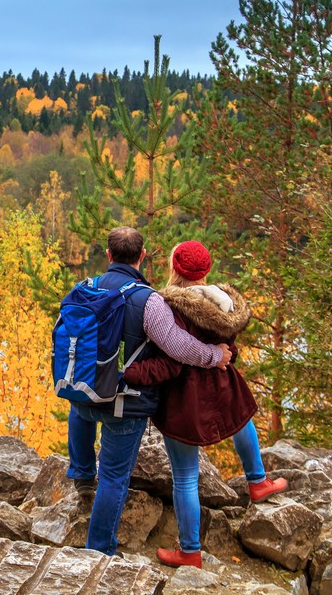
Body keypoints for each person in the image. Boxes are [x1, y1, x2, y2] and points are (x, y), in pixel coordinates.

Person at [67, 227, 233, 557]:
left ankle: (82, 473)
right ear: (142, 257)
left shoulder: (84, 288)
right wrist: (216, 356)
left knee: (81, 413)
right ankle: (99, 552)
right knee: (113, 479)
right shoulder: (149, 301)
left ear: (109, 255)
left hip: (83, 394)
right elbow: (178, 347)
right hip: (124, 404)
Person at [121, 240, 287, 568]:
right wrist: (222, 356)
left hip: (183, 397)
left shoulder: (166, 306)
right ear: (206, 271)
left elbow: (170, 359)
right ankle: (258, 482)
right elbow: (231, 350)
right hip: (224, 384)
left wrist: (131, 372)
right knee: (242, 421)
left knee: (185, 476)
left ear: (176, 269)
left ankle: (190, 551)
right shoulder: (224, 304)